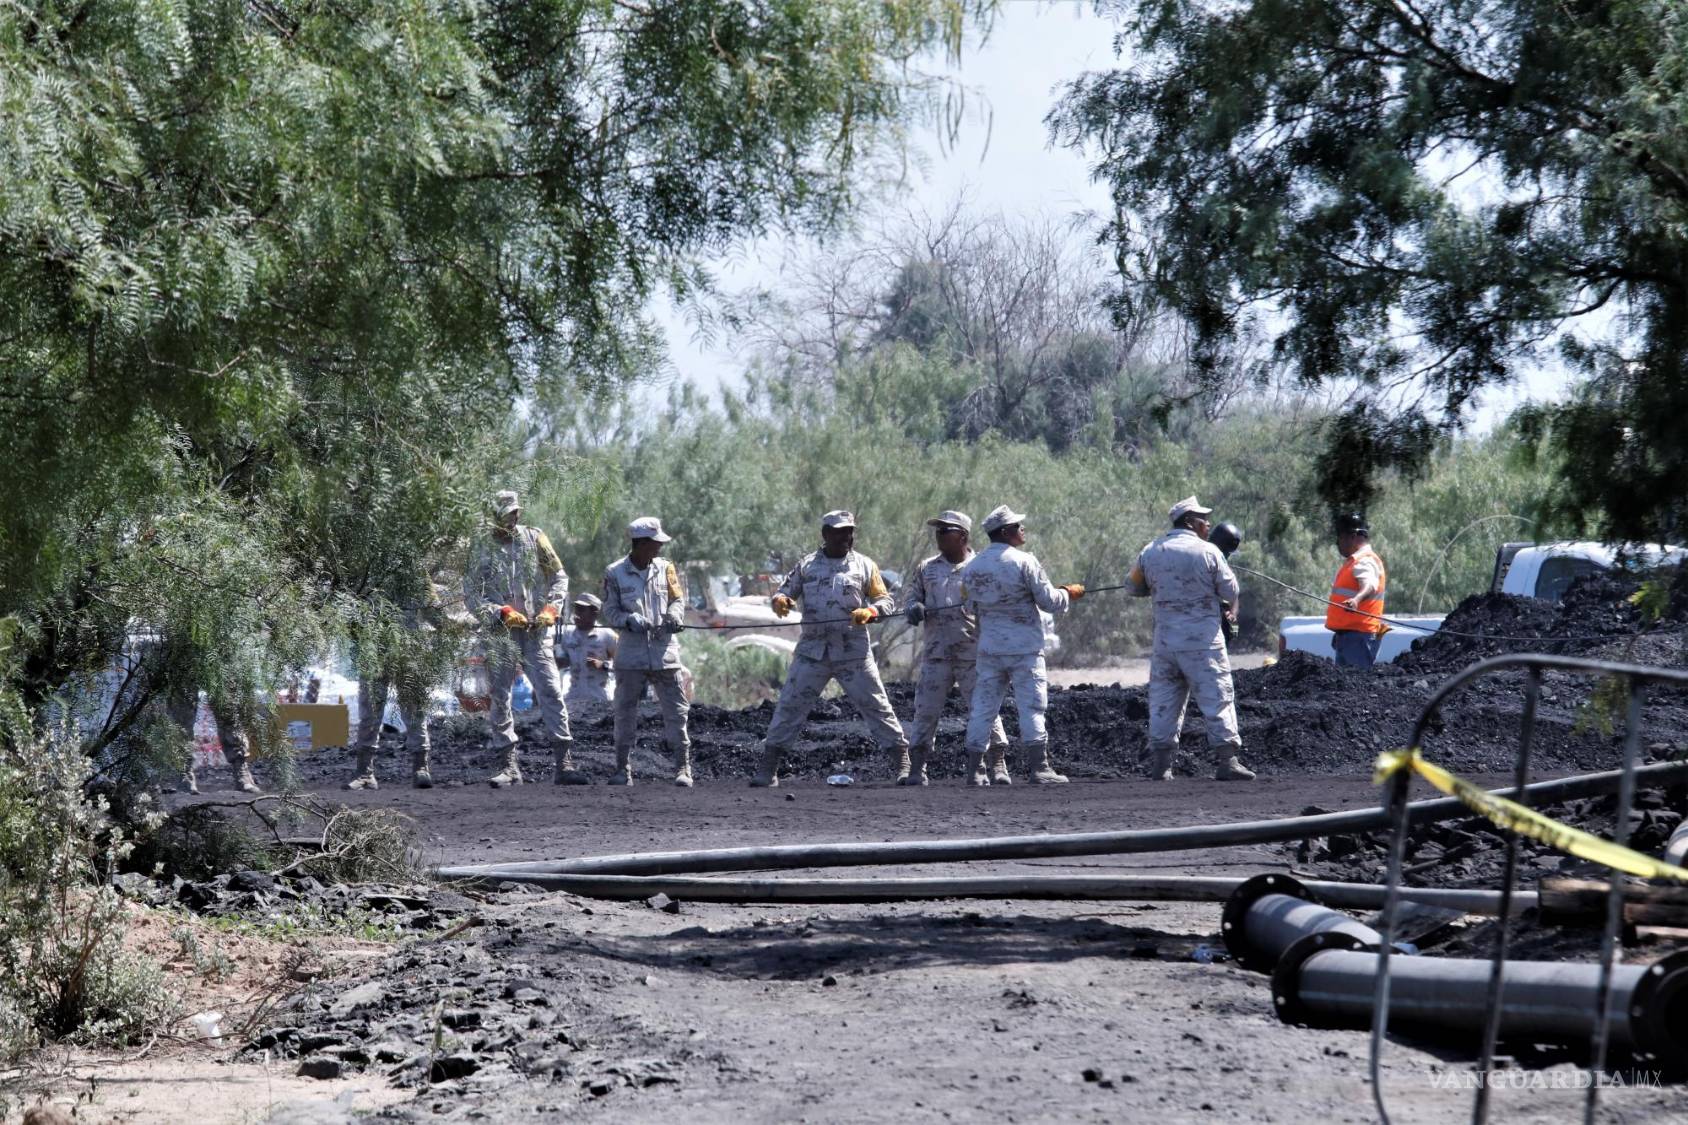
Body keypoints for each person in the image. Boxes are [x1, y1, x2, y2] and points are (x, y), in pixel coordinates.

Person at [750, 510, 909, 787]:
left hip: (853, 651)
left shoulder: (864, 566)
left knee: (877, 705)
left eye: (848, 531)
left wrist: (870, 611)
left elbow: (886, 601)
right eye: (837, 531)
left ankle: (903, 763)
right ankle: (768, 768)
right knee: (789, 706)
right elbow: (784, 591)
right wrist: (780, 600)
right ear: (825, 534)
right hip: (813, 652)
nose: (844, 536)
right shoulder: (807, 565)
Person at [1129, 496, 1255, 781]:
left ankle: (1161, 766)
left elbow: (1133, 587)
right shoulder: (1209, 552)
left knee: (1164, 700)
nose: (1209, 524)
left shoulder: (1149, 551)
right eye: (1204, 519)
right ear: (1190, 522)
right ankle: (1228, 761)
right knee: (1217, 697)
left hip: (1165, 644)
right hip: (1203, 643)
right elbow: (1230, 591)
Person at [958, 506, 1082, 785]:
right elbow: (1048, 601)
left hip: (989, 649)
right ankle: (1040, 768)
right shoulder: (1025, 562)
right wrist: (1068, 594)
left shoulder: (972, 567)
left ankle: (974, 771)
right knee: (1032, 707)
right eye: (1017, 526)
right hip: (1024, 649)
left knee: (983, 708)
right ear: (1005, 532)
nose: (1022, 530)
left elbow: (967, 604)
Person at [463, 490, 576, 787]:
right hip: (501, 633)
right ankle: (509, 765)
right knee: (500, 696)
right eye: (505, 514)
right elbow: (472, 593)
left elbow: (559, 577)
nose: (511, 519)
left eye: (514, 513)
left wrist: (552, 608)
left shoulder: (535, 538)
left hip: (536, 631)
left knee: (550, 690)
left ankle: (564, 763)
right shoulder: (481, 547)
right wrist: (499, 612)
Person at [901, 510, 1008, 786]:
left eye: (945, 530)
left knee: (983, 709)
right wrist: (914, 608)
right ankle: (917, 769)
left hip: (973, 653)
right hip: (937, 653)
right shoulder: (927, 568)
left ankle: (996, 764)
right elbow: (912, 598)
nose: (938, 535)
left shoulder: (981, 567)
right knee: (926, 710)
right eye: (937, 530)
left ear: (962, 536)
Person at [601, 518, 693, 786]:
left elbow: (677, 599)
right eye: (654, 544)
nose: (659, 549)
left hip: (665, 653)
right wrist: (627, 620)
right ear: (640, 544)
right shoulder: (614, 572)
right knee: (625, 712)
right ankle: (622, 769)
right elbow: (609, 610)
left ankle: (683, 769)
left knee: (677, 712)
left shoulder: (666, 569)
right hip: (631, 655)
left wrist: (674, 616)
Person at [346, 569, 445, 791]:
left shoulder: (414, 571)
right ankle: (364, 772)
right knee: (370, 710)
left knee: (414, 709)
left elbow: (433, 609)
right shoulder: (365, 567)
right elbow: (351, 610)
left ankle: (421, 767)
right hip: (374, 650)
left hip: (409, 649)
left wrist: (444, 628)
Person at [1326, 512, 1388, 668]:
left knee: (1355, 687)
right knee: (1345, 688)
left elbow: (1370, 585)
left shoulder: (1365, 560)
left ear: (1352, 537)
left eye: (1340, 537)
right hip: (1350, 637)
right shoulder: (1355, 561)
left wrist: (1356, 600)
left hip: (1358, 638)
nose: (1337, 542)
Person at [558, 592, 618, 715]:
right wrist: (559, 662)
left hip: (598, 698)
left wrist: (602, 665)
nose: (577, 614)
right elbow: (562, 662)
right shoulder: (568, 636)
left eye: (581, 610)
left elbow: (624, 664)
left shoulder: (607, 635)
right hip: (573, 699)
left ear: (594, 612)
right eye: (576, 609)